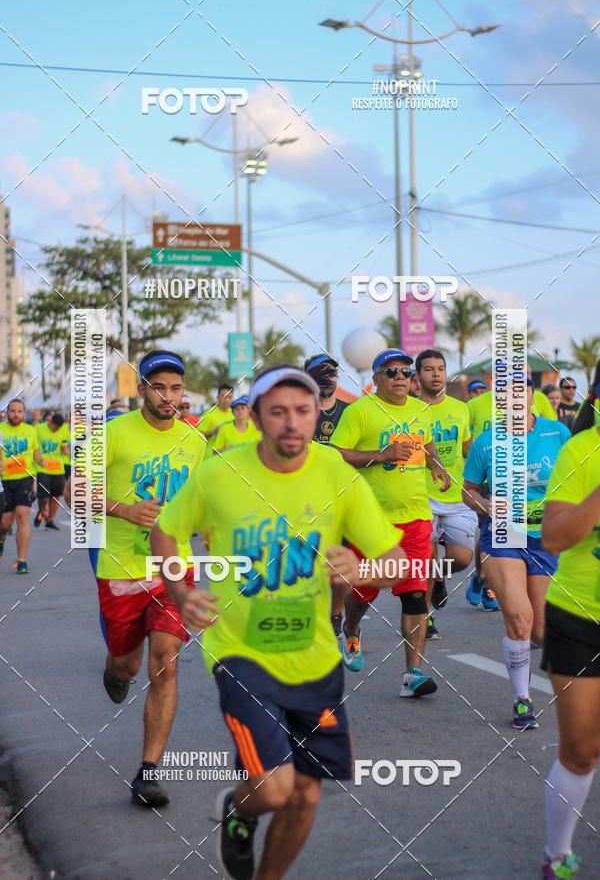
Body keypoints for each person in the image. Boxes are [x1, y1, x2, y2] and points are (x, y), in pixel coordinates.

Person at [152, 365, 406, 880]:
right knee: (274, 787)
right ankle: (240, 810)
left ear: (318, 415)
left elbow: (398, 561)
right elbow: (166, 530)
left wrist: (367, 569)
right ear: (258, 417)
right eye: (279, 411)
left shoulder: (337, 475)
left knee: (306, 794)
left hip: (316, 661)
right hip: (240, 651)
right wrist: (181, 590)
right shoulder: (221, 473)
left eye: (303, 411)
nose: (292, 422)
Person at [97, 349, 206, 808]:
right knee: (128, 665)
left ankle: (149, 771)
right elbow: (72, 488)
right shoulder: (114, 433)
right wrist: (124, 509)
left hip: (172, 568)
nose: (168, 396)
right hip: (120, 568)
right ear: (141, 388)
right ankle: (115, 669)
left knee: (166, 660)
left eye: (176, 388)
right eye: (158, 387)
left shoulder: (194, 441)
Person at [330, 348, 451, 697]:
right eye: (391, 371)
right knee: (364, 592)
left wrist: (437, 466)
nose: (400, 377)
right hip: (371, 522)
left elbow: (426, 446)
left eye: (404, 372)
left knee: (415, 595)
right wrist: (379, 456)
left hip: (416, 518)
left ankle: (412, 674)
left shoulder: (420, 410)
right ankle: (351, 627)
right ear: (376, 378)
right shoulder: (360, 412)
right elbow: (336, 453)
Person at [462, 376, 570, 729]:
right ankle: (522, 699)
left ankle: (521, 648)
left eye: (521, 391)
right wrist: (486, 505)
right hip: (504, 534)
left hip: (546, 539)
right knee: (519, 618)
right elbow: (468, 492)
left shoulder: (557, 434)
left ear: (532, 396)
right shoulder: (486, 442)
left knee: (540, 632)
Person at [539, 360, 600, 879]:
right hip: (582, 616)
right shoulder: (580, 451)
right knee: (582, 751)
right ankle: (557, 855)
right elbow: (554, 537)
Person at [416, 350, 476, 640]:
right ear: (418, 376)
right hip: (420, 495)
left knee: (463, 559)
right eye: (429, 369)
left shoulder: (460, 408)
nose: (436, 374)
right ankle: (425, 618)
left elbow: (468, 449)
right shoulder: (409, 411)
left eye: (440, 368)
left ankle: (439, 575)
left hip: (456, 496)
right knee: (425, 559)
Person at [305, 354, 349, 639]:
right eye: (320, 374)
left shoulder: (350, 412)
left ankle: (336, 614)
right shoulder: (299, 411)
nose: (328, 378)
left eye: (331, 373)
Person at [0, 399, 46, 573]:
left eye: (20, 411)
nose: (16, 415)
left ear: (24, 413)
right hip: (3, 480)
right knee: (5, 523)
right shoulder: (1, 430)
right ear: (7, 413)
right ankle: (2, 537)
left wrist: (40, 460)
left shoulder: (30, 431)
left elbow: (35, 450)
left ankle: (22, 560)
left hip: (25, 479)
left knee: (22, 517)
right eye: (13, 411)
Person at [34, 412, 70, 530]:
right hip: (43, 468)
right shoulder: (38, 429)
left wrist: (65, 450)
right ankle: (41, 510)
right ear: (50, 422)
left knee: (56, 496)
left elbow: (64, 446)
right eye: (55, 427)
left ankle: (50, 520)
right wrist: (38, 459)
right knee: (43, 497)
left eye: (59, 428)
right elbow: (33, 446)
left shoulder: (62, 430)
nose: (57, 429)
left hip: (58, 469)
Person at [198, 383, 234, 456]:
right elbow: (198, 436)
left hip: (229, 458)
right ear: (218, 398)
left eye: (229, 397)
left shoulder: (234, 414)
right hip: (211, 458)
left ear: (232, 399)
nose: (226, 399)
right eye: (224, 396)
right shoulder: (209, 414)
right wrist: (214, 432)